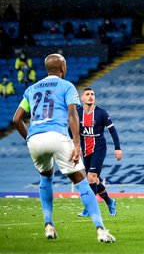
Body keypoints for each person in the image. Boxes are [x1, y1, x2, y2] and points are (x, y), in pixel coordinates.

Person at [12, 54, 115, 242]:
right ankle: (101, 229)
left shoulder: (31, 88)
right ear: (62, 67)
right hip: (57, 135)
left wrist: (29, 139)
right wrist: (77, 144)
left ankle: (49, 226)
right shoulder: (66, 86)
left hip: (35, 138)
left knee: (46, 177)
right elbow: (73, 115)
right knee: (81, 181)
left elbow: (16, 119)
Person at [74, 87, 122, 217]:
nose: (90, 96)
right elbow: (71, 131)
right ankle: (110, 201)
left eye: (92, 94)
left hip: (99, 149)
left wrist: (117, 147)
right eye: (87, 94)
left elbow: (113, 130)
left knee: (91, 177)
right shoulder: (77, 113)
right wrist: (75, 147)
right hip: (86, 151)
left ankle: (89, 208)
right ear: (82, 98)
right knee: (94, 180)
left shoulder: (101, 113)